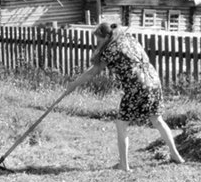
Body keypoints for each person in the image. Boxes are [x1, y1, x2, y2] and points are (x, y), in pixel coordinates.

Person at [66, 22, 185, 172]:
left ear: (106, 36)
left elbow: (93, 71)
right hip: (154, 81)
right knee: (157, 119)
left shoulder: (110, 49)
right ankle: (176, 155)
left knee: (121, 124)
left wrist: (74, 84)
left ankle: (124, 165)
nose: (97, 43)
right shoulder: (128, 38)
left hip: (137, 86)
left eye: (98, 40)